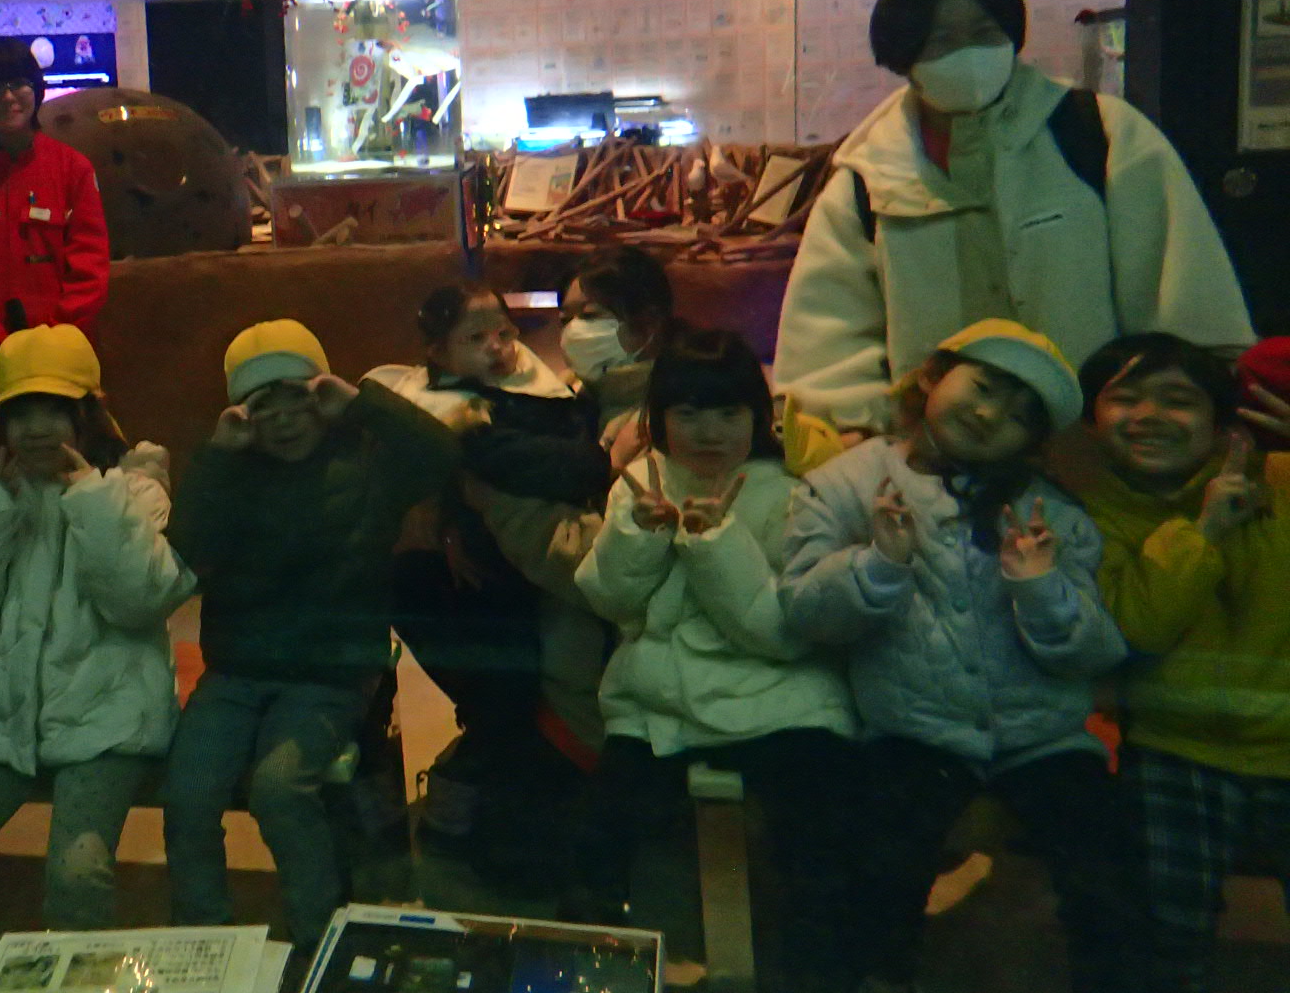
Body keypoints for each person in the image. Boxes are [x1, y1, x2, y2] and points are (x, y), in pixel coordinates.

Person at [781, 320, 1143, 993]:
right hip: (913, 731)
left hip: (1044, 737)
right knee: (868, 875)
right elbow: (806, 612)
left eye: (1021, 415)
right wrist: (880, 564)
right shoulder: (845, 484)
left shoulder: (1055, 512)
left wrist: (1041, 588)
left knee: (1112, 875)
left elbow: (1094, 654)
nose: (990, 415)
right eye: (983, 387)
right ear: (931, 376)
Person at [774, 0, 1254, 437]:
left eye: (985, 33)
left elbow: (1185, 291)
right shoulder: (869, 174)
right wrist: (867, 432)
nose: (968, 55)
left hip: (1092, 451)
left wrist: (1188, 409)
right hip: (938, 452)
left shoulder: (1099, 133)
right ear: (903, 56)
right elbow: (827, 344)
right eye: (942, 41)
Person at [569, 329, 861, 992]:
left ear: (758, 418)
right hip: (658, 705)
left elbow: (780, 633)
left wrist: (711, 541)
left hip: (781, 699)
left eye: (729, 413)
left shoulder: (792, 493)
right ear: (659, 419)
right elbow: (610, 601)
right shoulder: (641, 485)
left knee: (821, 840)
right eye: (689, 413)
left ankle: (820, 975)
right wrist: (640, 531)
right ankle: (589, 973)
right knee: (597, 841)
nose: (709, 432)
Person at [162, 319, 457, 953]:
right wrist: (216, 456)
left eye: (297, 398)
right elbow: (185, 550)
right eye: (264, 406)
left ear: (321, 394)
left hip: (330, 674)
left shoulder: (369, 461)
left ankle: (318, 937)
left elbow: (444, 457)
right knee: (187, 793)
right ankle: (202, 942)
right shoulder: (233, 470)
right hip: (237, 669)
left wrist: (363, 402)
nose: (284, 419)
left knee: (279, 789)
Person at [0, 325, 193, 944]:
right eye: (19, 412)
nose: (35, 428)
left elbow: (139, 602)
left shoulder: (134, 491)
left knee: (77, 880)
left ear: (87, 415)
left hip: (106, 719)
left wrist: (92, 500)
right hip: (1, 718)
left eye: (53, 410)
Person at [1055, 333, 1290, 993]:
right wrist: (1204, 529)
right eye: (1124, 398)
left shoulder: (1280, 481)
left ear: (1222, 423)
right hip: (1175, 745)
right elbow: (1138, 630)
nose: (1149, 416)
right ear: (1092, 422)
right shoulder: (1090, 519)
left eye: (1178, 400)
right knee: (1162, 940)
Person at [364, 282, 609, 870]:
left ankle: (476, 831)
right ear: (437, 351)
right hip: (444, 589)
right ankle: (462, 831)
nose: (498, 348)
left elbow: (563, 468)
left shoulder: (539, 397)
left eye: (505, 332)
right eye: (475, 338)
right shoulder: (422, 409)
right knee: (501, 703)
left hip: (521, 582)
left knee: (520, 709)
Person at [0, 37, 111, 469]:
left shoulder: (72, 169)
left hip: (64, 358)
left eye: (18, 84)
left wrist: (54, 343)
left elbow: (90, 265)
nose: (8, 97)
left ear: (36, 88)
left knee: (71, 470)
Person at [558, 246, 678, 468]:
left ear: (650, 322)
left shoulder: (683, 408)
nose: (573, 331)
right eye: (565, 320)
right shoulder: (563, 396)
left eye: (589, 316)